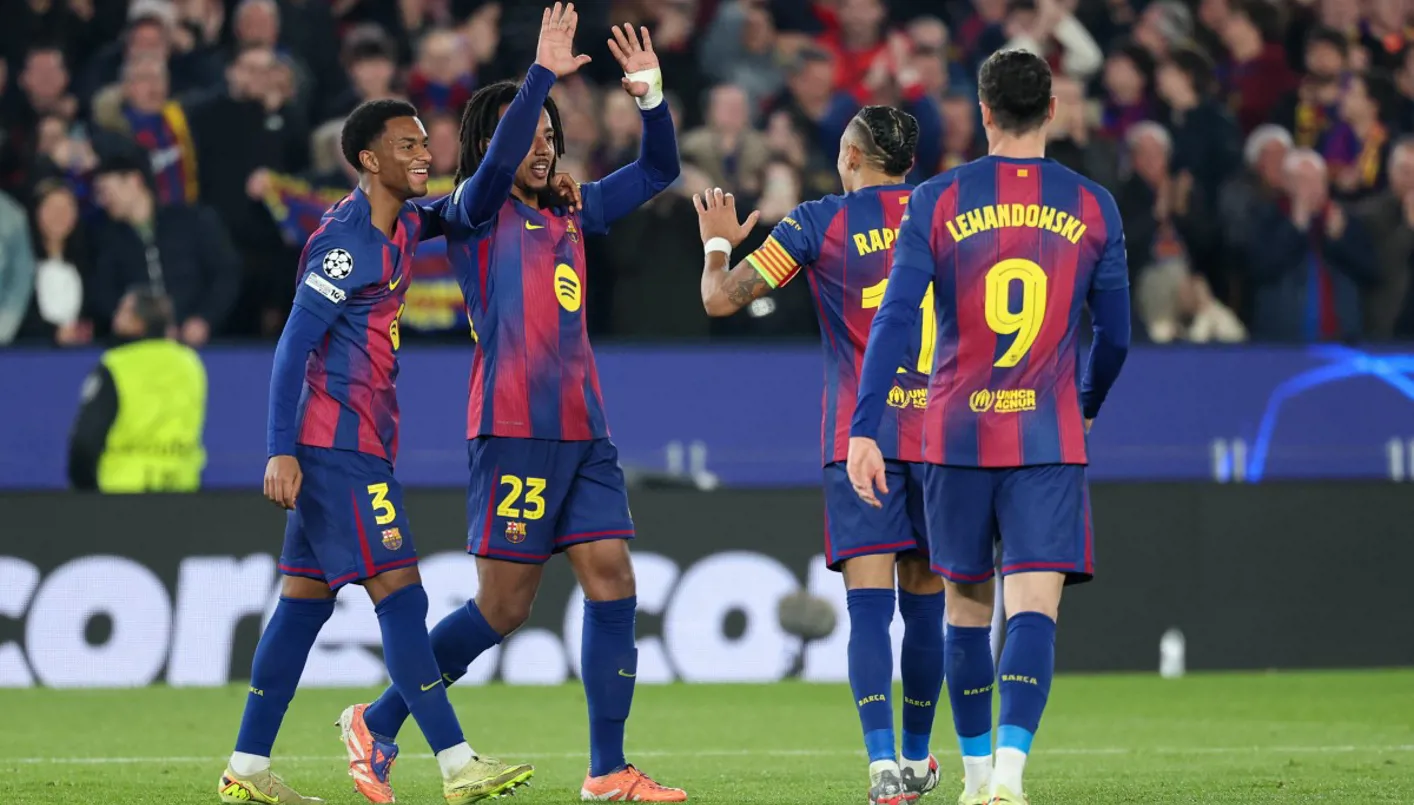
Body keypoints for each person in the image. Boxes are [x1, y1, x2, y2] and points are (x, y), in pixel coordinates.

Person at [339, 6, 685, 804]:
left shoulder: (572, 208)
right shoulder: (473, 209)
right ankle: (377, 720)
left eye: (550, 134)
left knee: (613, 579)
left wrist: (650, 96)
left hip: (585, 431)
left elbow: (659, 169)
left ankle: (607, 769)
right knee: (502, 608)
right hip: (512, 427)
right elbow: (494, 167)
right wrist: (538, 77)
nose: (541, 144)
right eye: (526, 132)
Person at [218, 95, 535, 804]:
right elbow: (292, 347)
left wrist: (525, 137)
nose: (424, 154)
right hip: (336, 447)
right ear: (368, 159)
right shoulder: (344, 244)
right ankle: (456, 762)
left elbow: (472, 198)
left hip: (360, 441)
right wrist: (279, 450)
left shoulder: (405, 224)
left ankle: (245, 765)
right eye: (407, 146)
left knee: (303, 604)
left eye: (425, 143)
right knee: (402, 594)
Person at [846, 49, 1132, 805]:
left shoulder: (936, 200)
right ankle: (1009, 774)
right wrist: (1088, 400)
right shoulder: (1094, 205)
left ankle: (975, 781)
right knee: (1034, 608)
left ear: (982, 112)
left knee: (966, 613)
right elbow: (1117, 336)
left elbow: (896, 320)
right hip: (1047, 437)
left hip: (954, 438)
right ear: (1052, 110)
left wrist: (866, 428)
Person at [693, 105, 946, 805]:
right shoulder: (946, 216)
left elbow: (720, 301)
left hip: (859, 440)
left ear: (853, 157)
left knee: (869, 610)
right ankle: (918, 758)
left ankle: (882, 768)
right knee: (927, 607)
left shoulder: (817, 222)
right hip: (942, 437)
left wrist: (717, 245)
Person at [67, 286, 206, 492]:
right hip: (181, 488)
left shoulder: (116, 365)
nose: (115, 317)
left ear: (138, 323)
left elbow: (85, 442)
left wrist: (85, 489)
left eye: (123, 311)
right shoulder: (191, 364)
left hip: (122, 492)